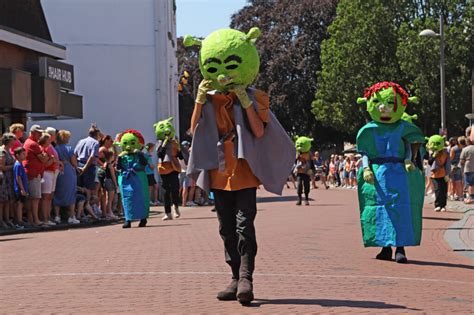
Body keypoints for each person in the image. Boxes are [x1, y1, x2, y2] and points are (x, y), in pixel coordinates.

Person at [184, 27, 295, 304]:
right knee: (225, 228)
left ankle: (246, 278)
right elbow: (193, 129)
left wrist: (244, 100)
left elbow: (258, 131)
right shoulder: (209, 98)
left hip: (245, 173)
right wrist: (199, 98)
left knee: (245, 225)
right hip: (220, 172)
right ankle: (234, 276)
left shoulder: (257, 97)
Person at [356, 82, 425, 263]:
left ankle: (400, 248)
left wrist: (409, 160)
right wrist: (365, 168)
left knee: (401, 208)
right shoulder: (369, 130)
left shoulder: (404, 127)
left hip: (399, 174)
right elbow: (364, 152)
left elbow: (410, 145)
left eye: (389, 103)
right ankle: (385, 247)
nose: (383, 108)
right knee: (380, 210)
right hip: (379, 175)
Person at [116, 130, 150, 228]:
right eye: (125, 143)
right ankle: (128, 219)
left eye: (132, 143)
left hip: (139, 177)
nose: (128, 146)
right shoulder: (122, 156)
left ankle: (143, 218)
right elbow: (118, 167)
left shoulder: (140, 155)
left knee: (141, 197)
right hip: (126, 178)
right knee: (127, 199)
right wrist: (118, 158)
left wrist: (139, 154)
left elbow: (144, 163)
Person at [155, 117, 183, 220]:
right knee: (166, 191)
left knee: (175, 189)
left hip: (174, 168)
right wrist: (164, 143)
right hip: (163, 168)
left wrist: (180, 150)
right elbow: (159, 154)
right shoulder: (159, 143)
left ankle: (175, 206)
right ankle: (167, 213)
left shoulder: (175, 142)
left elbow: (180, 156)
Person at [23, 125, 49, 226]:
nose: (41, 135)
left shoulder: (30, 143)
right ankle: (35, 220)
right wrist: (46, 157)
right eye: (38, 133)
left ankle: (32, 219)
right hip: (33, 174)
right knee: (35, 198)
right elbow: (43, 159)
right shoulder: (33, 144)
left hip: (33, 174)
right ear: (33, 133)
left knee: (33, 198)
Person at [53, 130, 80, 224]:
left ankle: (57, 216)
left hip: (59, 171)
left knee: (57, 192)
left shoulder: (55, 148)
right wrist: (76, 166)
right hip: (68, 171)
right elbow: (74, 162)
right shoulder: (69, 149)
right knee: (71, 192)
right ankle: (71, 216)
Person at [74, 124, 101, 204]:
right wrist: (85, 168)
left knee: (80, 188)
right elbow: (92, 156)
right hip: (89, 167)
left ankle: (81, 210)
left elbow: (75, 154)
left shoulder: (81, 141)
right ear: (96, 134)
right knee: (88, 189)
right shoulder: (95, 143)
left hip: (79, 164)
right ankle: (87, 207)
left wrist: (76, 166)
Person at [427, 135, 451, 212]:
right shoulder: (431, 152)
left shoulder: (446, 152)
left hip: (444, 173)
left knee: (444, 190)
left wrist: (448, 173)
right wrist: (434, 155)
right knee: (437, 189)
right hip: (434, 174)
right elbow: (430, 162)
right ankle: (437, 205)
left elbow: (448, 163)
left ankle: (443, 205)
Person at [39, 131, 58, 226]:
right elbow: (45, 164)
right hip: (46, 173)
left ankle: (48, 217)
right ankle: (45, 218)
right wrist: (52, 160)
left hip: (51, 173)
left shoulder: (48, 148)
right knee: (45, 197)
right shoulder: (43, 149)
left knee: (48, 197)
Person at [0, 133, 16, 228]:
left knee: (8, 201)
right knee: (2, 201)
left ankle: (7, 219)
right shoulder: (2, 151)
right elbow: (1, 166)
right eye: (13, 140)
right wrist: (13, 166)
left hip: (9, 180)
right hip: (3, 180)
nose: (14, 142)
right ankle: (1, 221)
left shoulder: (8, 151)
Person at [294, 136, 315, 205]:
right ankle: (299, 199)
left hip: (306, 173)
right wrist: (296, 168)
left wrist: (312, 170)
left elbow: (311, 164)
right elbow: (294, 163)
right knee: (299, 185)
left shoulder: (309, 154)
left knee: (307, 185)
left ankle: (306, 198)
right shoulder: (297, 154)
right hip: (300, 172)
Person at [12, 147, 28, 229]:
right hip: (19, 189)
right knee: (19, 205)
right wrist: (22, 189)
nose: (25, 155)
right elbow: (18, 178)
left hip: (22, 188)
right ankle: (19, 222)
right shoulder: (18, 165)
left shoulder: (20, 164)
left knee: (21, 205)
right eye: (23, 154)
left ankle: (20, 220)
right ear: (17, 155)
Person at [460, 138, 474, 204]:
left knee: (469, 183)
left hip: (468, 168)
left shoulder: (465, 149)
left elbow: (462, 160)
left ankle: (471, 198)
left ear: (467, 142)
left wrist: (462, 165)